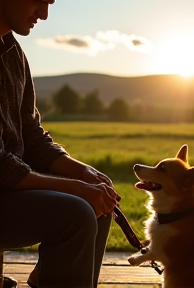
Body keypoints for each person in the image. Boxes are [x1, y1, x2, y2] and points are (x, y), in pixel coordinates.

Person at [0, 0, 121, 287]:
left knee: (100, 199)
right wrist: (77, 188)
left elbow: (31, 135)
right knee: (77, 211)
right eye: (38, 1)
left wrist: (81, 173)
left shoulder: (13, 53)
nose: (43, 14)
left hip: (6, 193)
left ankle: (52, 278)